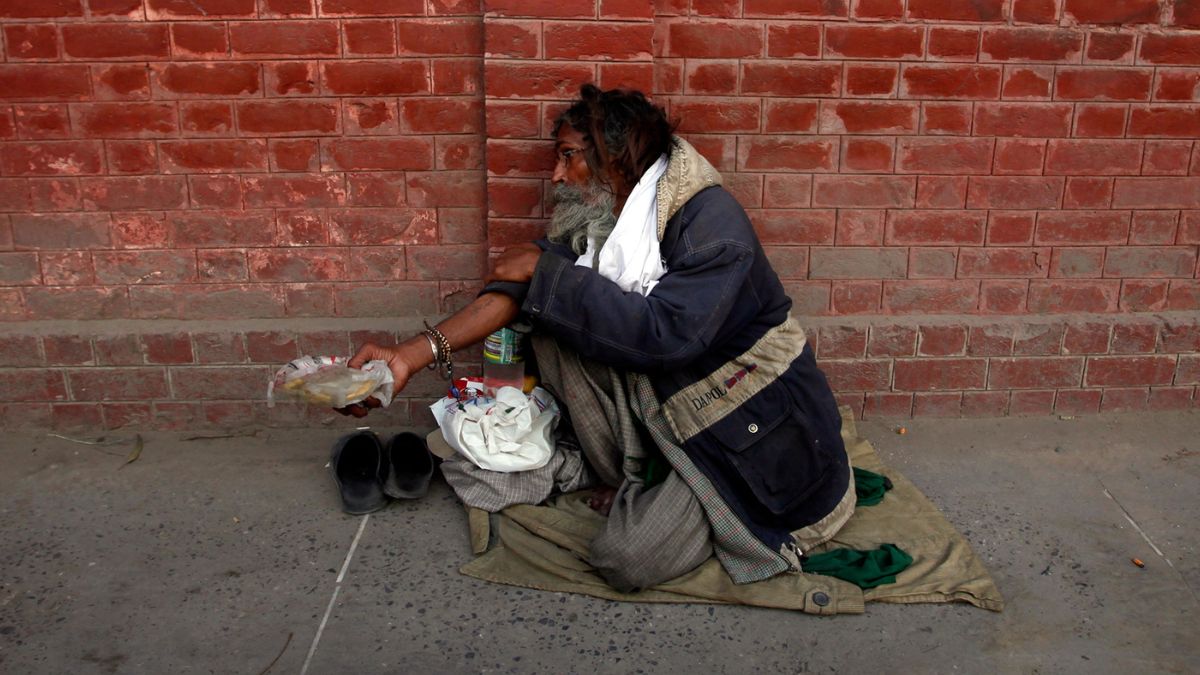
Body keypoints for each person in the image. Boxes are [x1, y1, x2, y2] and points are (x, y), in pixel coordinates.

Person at [339, 84, 854, 592]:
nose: (557, 175)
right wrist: (408, 357)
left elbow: (666, 337)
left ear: (618, 158)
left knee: (626, 559)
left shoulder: (712, 226)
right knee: (551, 312)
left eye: (568, 157)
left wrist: (544, 272)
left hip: (737, 436)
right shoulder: (608, 223)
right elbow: (518, 290)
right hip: (666, 411)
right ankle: (634, 474)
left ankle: (649, 484)